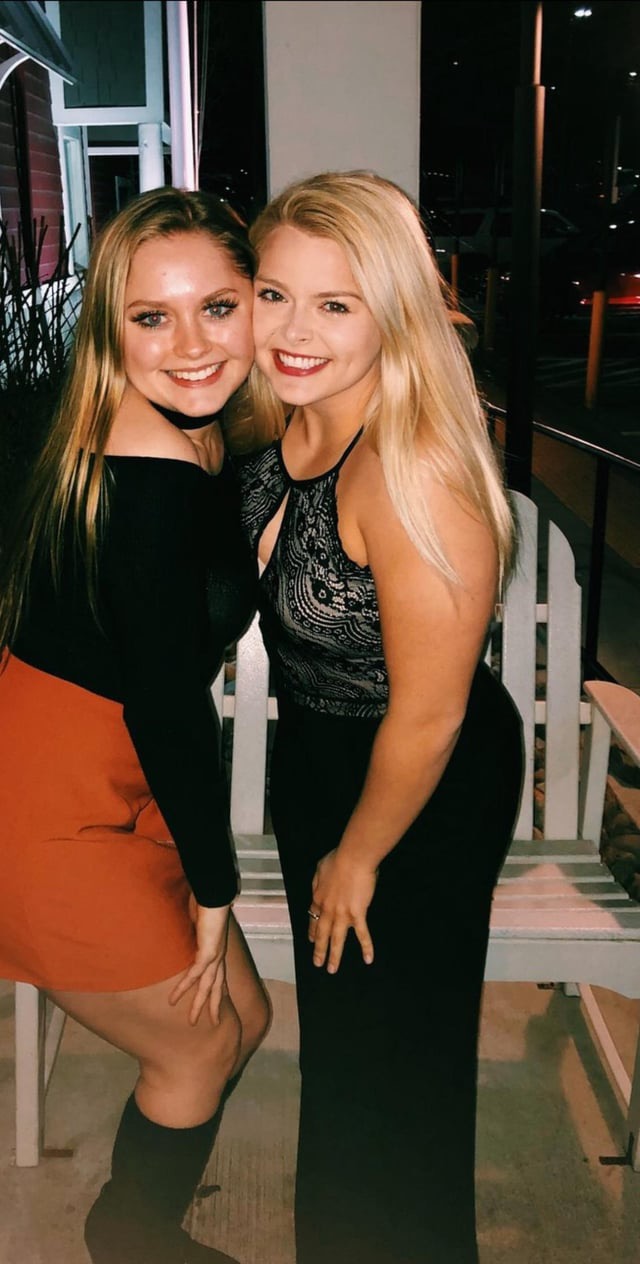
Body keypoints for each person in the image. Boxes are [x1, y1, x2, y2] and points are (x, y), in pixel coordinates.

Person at [234, 171, 524, 1264]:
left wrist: (358, 855)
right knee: (344, 1050)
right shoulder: (281, 418)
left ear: (393, 313)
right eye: (274, 295)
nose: (293, 330)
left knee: (404, 1062)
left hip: (421, 786)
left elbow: (433, 714)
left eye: (335, 303)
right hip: (321, 759)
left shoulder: (414, 470)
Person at [0, 187, 271, 1264]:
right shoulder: (146, 475)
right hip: (48, 803)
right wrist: (214, 886)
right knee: (198, 1046)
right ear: (110, 330)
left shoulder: (188, 432)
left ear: (259, 302)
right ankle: (129, 1235)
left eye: (218, 306)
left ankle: (139, 1215)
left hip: (112, 774)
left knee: (245, 1019)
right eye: (152, 317)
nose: (192, 346)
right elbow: (166, 702)